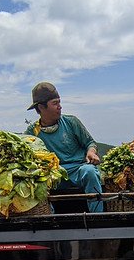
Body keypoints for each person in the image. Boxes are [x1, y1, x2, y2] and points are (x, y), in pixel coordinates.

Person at [25, 82, 104, 213]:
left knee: (90, 172)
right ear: (41, 107)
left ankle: (97, 217)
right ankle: (50, 219)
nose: (60, 107)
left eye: (59, 102)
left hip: (78, 169)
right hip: (53, 175)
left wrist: (91, 152)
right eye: (55, 103)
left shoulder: (71, 122)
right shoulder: (32, 132)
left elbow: (90, 143)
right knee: (36, 182)